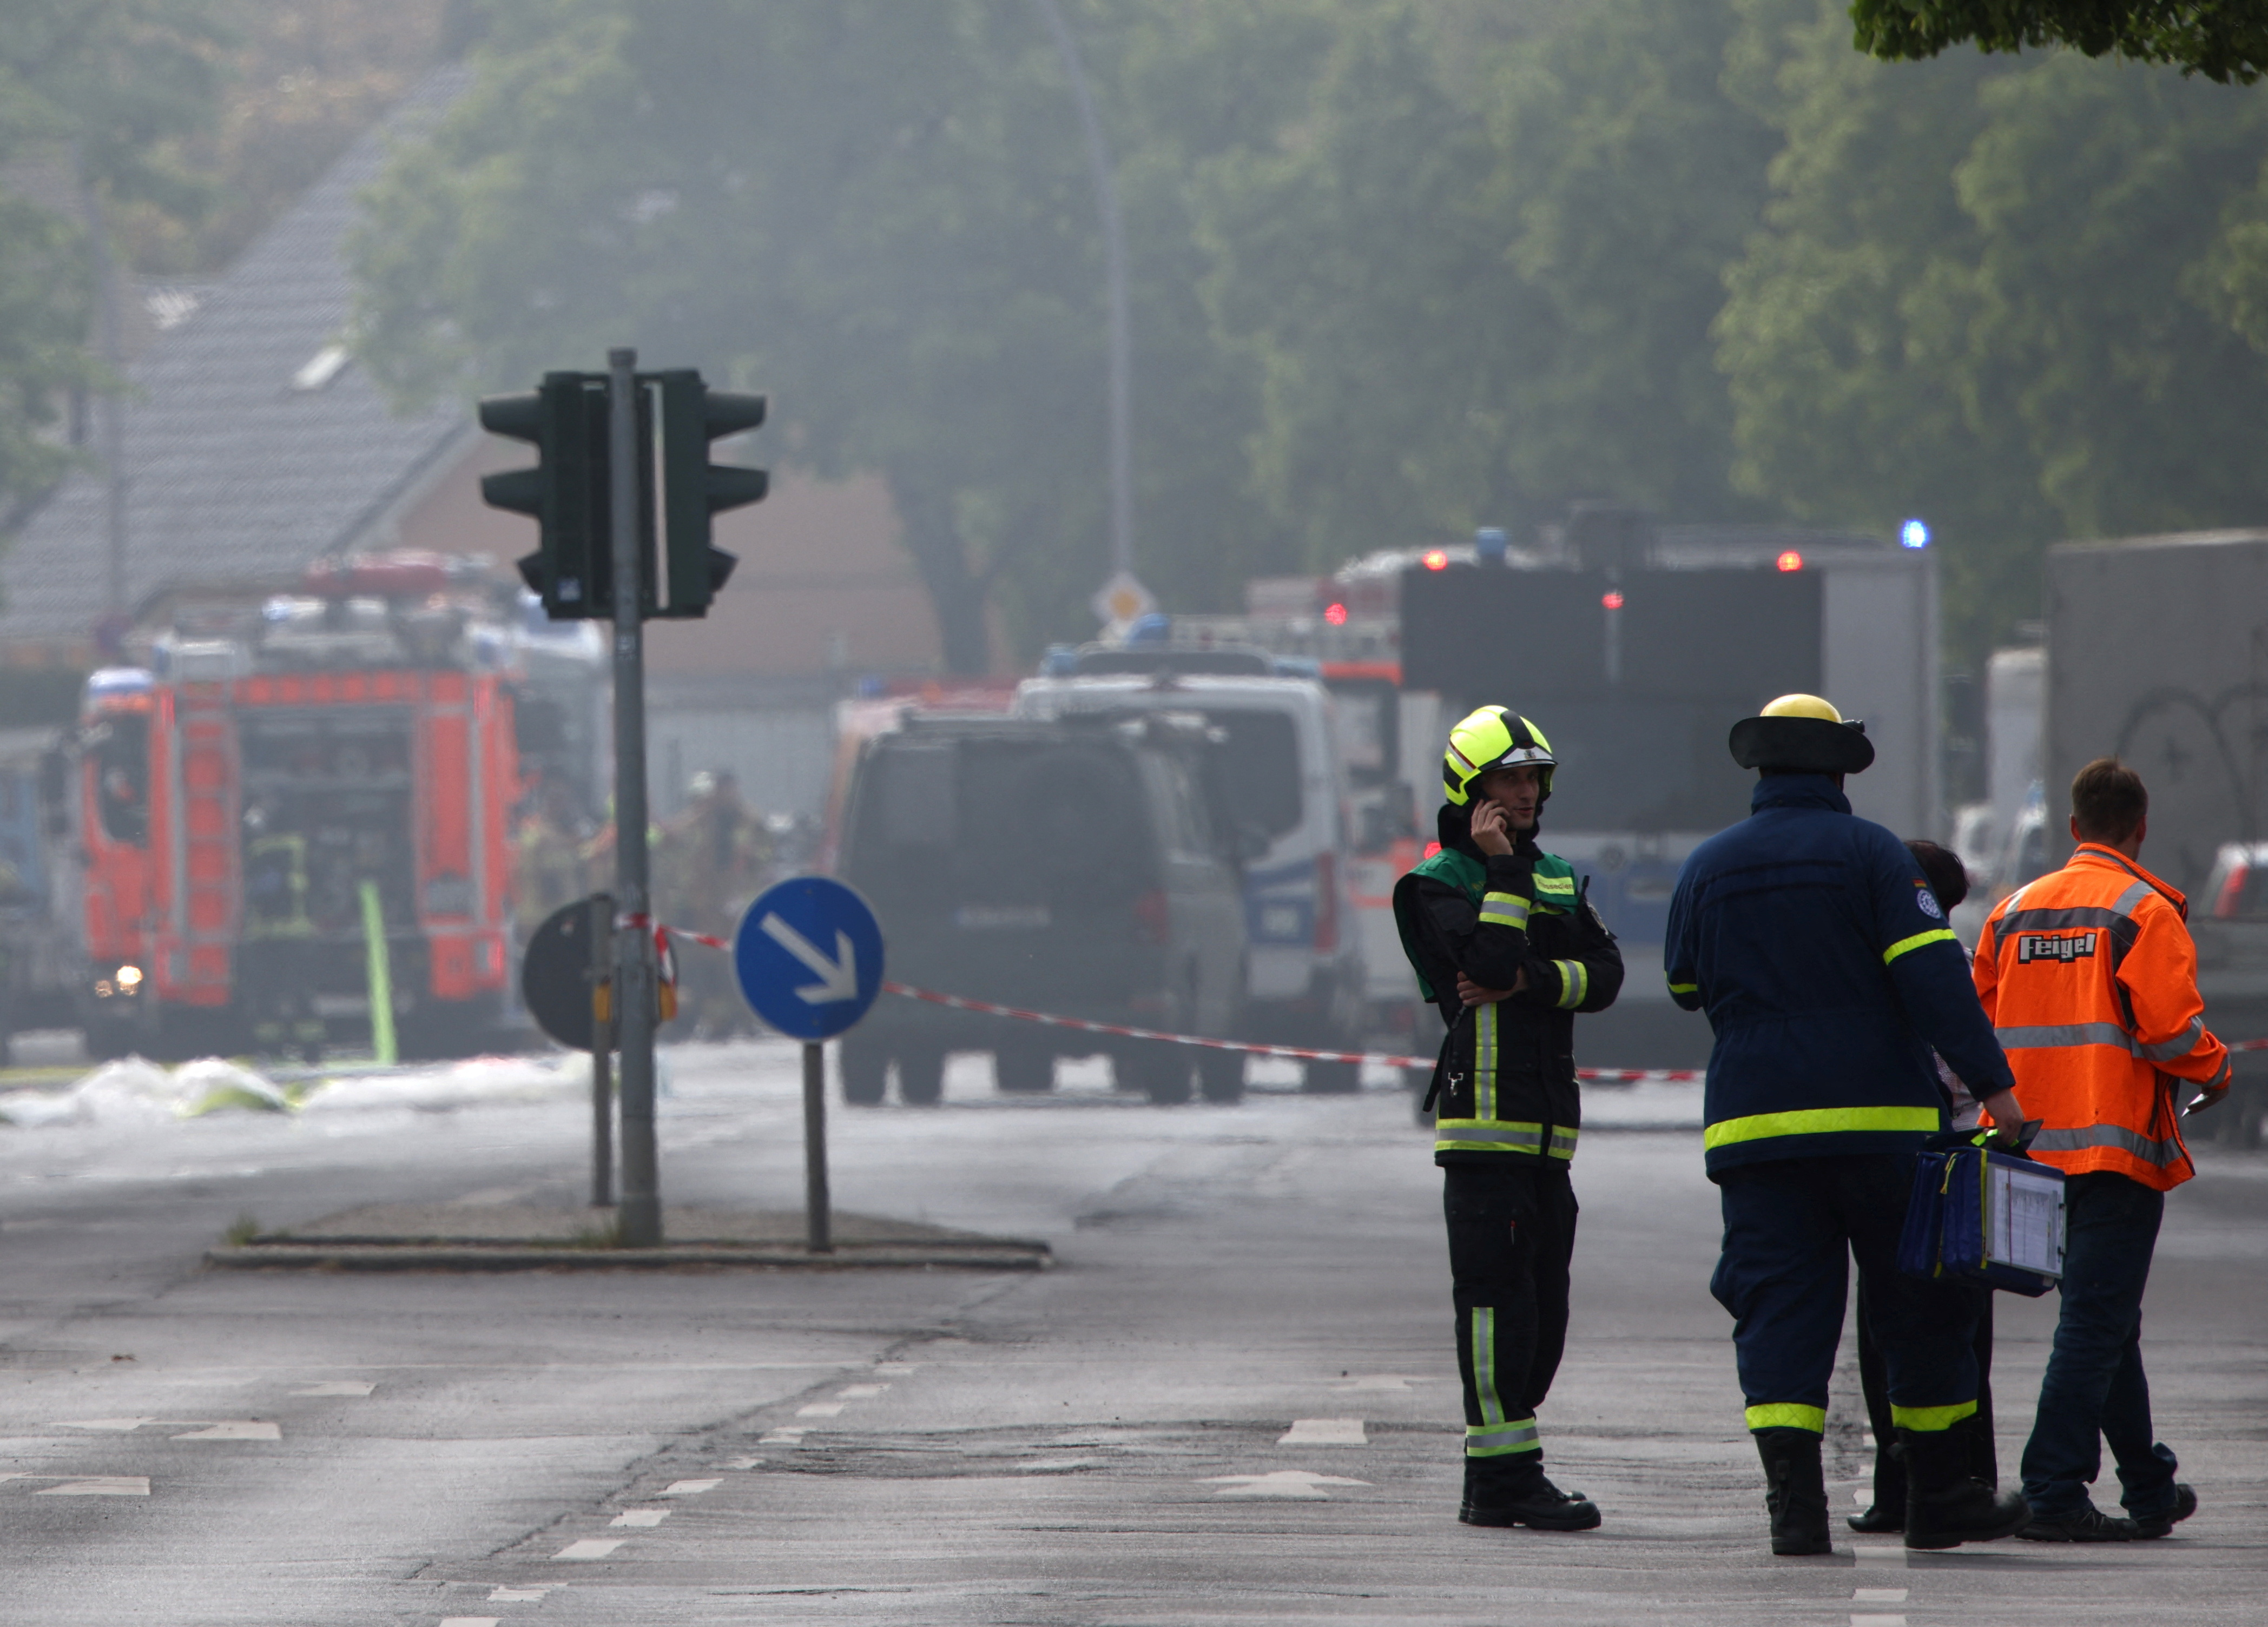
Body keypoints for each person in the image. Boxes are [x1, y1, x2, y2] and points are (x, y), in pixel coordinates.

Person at [1663, 694, 2030, 1555]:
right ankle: (1940, 1499)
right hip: (1881, 1130)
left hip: (1757, 1134)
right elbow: (1934, 979)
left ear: (1762, 770)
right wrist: (1996, 1090)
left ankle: (1795, 1511)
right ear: (1837, 770)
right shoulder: (1875, 856)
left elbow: (1686, 986)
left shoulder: (1709, 866)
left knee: (1779, 1315)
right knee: (1918, 1310)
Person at [1974, 757, 2228, 1542]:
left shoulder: (2012, 911)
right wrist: (2217, 1069)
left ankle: (2149, 1486)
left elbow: (1976, 1020)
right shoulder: (2145, 911)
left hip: (2024, 1154)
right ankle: (2052, 1489)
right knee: (2095, 1320)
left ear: (2074, 828)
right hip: (2113, 1155)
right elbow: (2169, 1030)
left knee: (2108, 1320)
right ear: (2141, 828)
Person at [1391, 707, 1624, 1531]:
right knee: (1496, 1305)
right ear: (1471, 788)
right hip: (1484, 1129)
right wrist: (1502, 876)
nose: (1526, 793)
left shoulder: (1557, 874)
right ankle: (1501, 1479)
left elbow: (1604, 977)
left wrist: (1529, 981)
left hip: (1549, 1134)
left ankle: (1506, 1463)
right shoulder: (1436, 882)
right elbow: (1482, 961)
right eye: (1508, 779)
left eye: (1533, 778)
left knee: (1546, 1309)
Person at [1849, 838, 1998, 1533]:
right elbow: (1968, 1067)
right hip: (1955, 1155)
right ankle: (1964, 1480)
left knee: (1883, 1326)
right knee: (1956, 1327)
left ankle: (1893, 1485)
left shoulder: (1861, 964)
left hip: (1886, 1155)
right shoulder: (1949, 966)